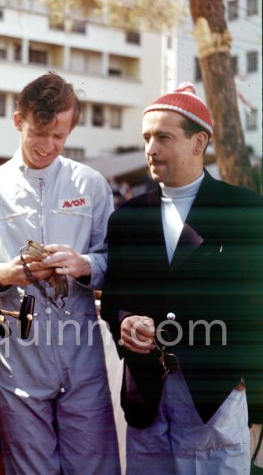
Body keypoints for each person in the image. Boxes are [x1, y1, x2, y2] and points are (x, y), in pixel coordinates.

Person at [0, 72, 121, 474]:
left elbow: (115, 262)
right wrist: (8, 273)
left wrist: (85, 266)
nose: (48, 146)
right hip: (19, 361)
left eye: (59, 136)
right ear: (18, 121)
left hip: (82, 359)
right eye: (39, 133)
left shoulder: (92, 184)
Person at [101, 83, 263, 474]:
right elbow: (115, 296)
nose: (150, 149)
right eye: (146, 138)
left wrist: (248, 388)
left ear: (199, 142)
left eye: (163, 137)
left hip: (217, 399)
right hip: (146, 401)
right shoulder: (126, 216)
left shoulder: (245, 210)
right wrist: (125, 321)